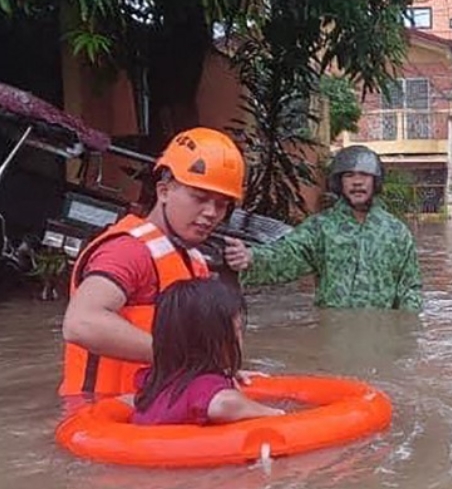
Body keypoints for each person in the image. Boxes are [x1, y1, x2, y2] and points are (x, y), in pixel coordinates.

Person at [60, 127, 250, 397]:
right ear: (163, 191)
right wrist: (185, 360)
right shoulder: (127, 251)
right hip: (100, 414)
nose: (211, 213)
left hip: (152, 410)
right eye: (199, 198)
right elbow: (81, 324)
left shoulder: (193, 259)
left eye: (221, 204)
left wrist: (217, 370)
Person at [228, 145, 422, 311]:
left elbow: (410, 289)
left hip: (380, 337)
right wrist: (250, 257)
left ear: (375, 181)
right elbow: (287, 254)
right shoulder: (321, 228)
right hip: (333, 335)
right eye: (349, 175)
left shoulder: (396, 233)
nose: (357, 182)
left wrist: (404, 337)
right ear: (339, 182)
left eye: (364, 175)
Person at [132, 278, 284, 425]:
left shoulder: (152, 381)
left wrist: (228, 373)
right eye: (238, 330)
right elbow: (223, 404)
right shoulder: (206, 389)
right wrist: (273, 413)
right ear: (215, 341)